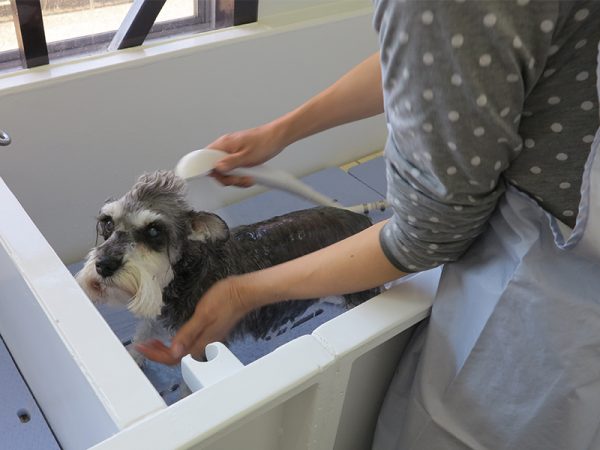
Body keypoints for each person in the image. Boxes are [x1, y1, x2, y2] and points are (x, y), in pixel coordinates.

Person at [138, 1, 600, 448]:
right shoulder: (448, 20)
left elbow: (426, 237)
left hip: (553, 290)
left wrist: (242, 293)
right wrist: (280, 132)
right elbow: (432, 57)